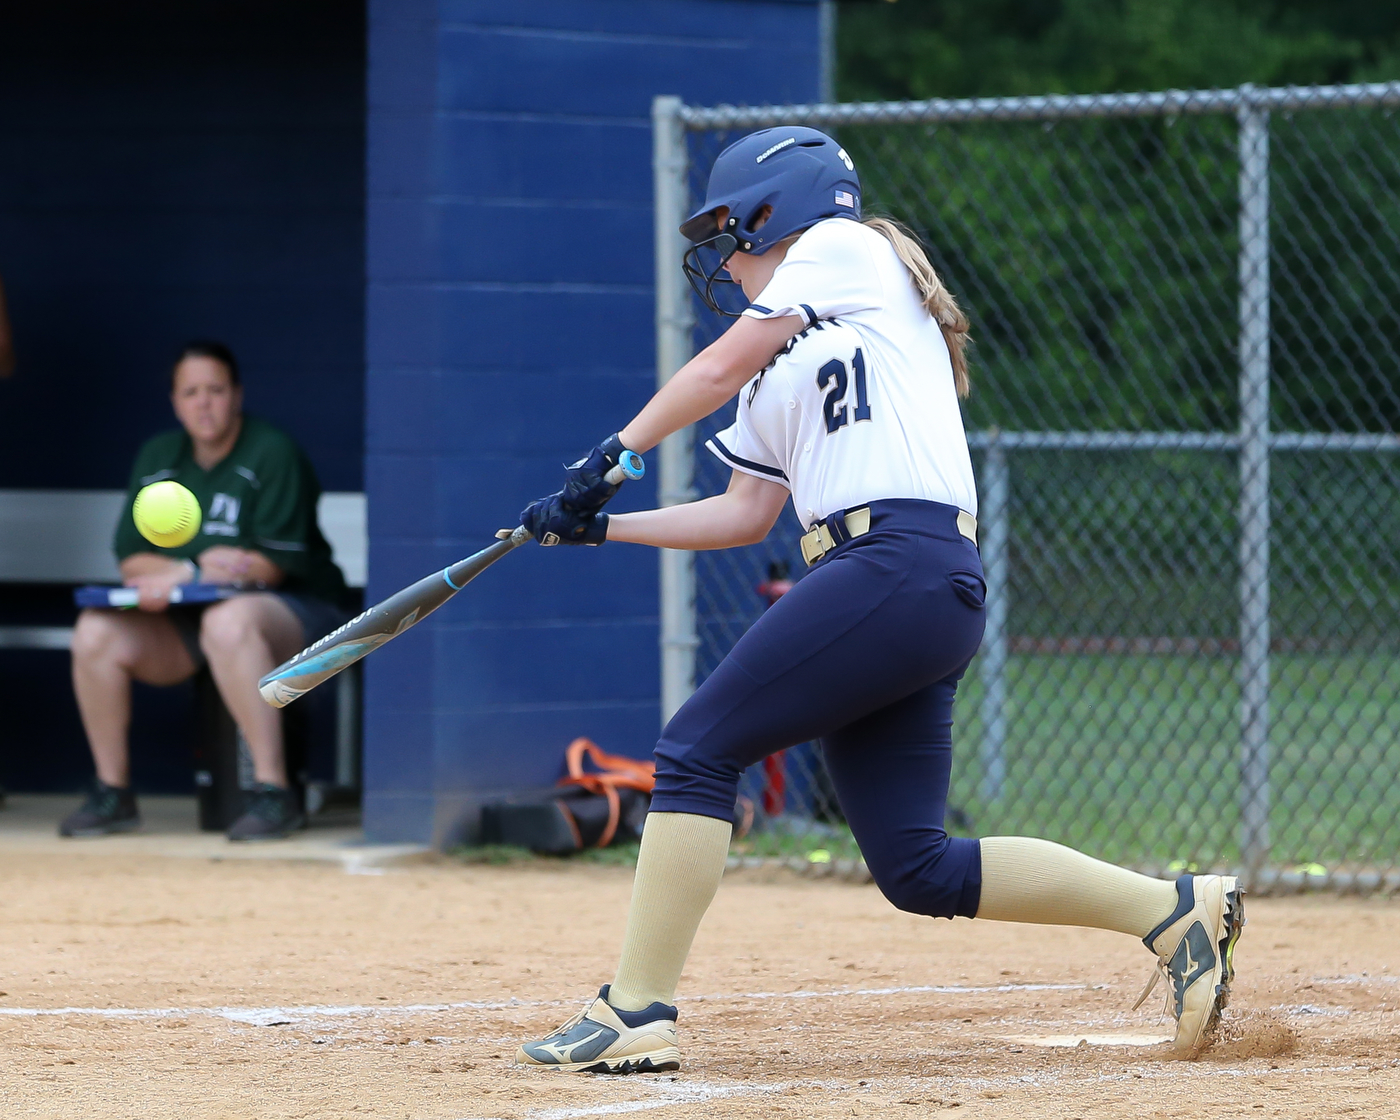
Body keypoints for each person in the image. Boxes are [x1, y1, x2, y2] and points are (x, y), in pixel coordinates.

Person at [511, 128, 1244, 1072]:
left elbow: (712, 368)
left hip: (898, 563)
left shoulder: (847, 251)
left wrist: (613, 456)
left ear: (781, 211)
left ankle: (635, 1012)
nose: (726, 258)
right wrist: (604, 527)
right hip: (894, 588)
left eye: (734, 232)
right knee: (916, 867)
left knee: (696, 750)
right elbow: (743, 513)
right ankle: (1173, 911)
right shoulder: (782, 363)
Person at [60, 341, 349, 841]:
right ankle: (114, 791)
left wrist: (188, 572)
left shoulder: (271, 451)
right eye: (191, 392)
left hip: (299, 616)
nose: (204, 403)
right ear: (175, 400)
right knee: (94, 632)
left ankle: (273, 791)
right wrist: (194, 569)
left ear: (237, 395)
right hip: (194, 618)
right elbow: (132, 560)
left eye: (215, 390)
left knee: (230, 620)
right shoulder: (158, 457)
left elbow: (269, 567)